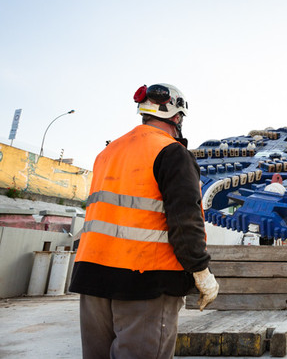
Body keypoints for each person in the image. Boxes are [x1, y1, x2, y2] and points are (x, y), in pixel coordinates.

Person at [69, 83, 219, 359]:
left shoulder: (108, 152)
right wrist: (200, 270)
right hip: (146, 279)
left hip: (92, 275)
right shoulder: (172, 152)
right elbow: (185, 220)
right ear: (177, 117)